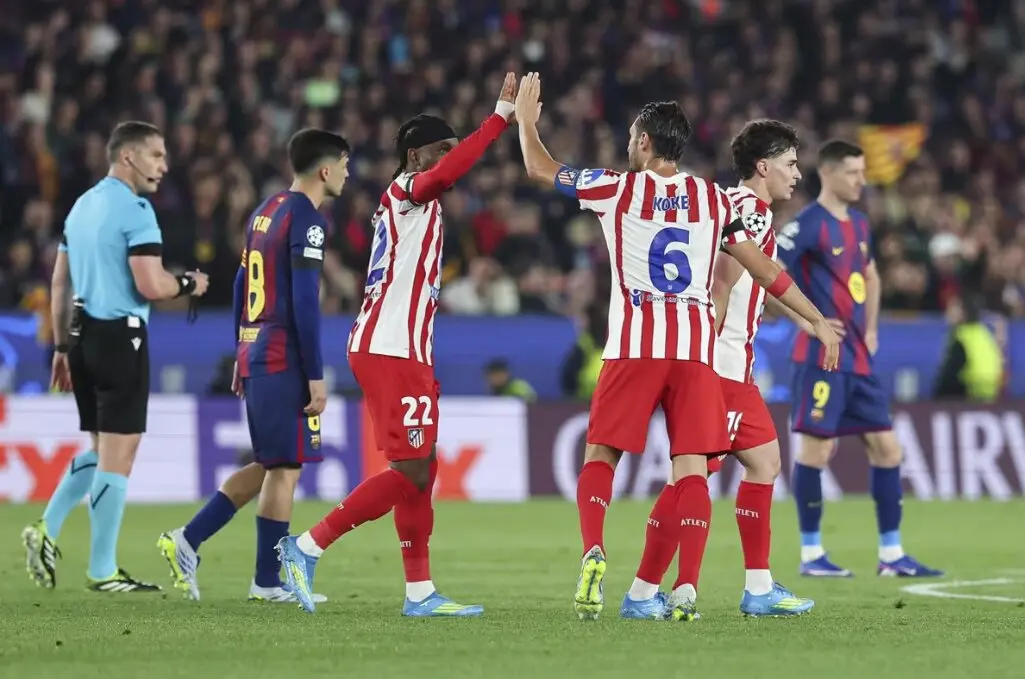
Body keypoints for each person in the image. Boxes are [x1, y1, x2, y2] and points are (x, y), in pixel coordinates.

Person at [513, 73, 840, 621]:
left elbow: (539, 168)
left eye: (631, 135)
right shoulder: (713, 199)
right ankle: (685, 585)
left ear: (643, 142)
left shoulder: (617, 186)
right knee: (692, 470)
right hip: (694, 351)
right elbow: (763, 269)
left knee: (602, 455)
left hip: (636, 344)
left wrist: (525, 122)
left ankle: (595, 548)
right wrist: (815, 319)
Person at [277, 72, 521, 617]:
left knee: (423, 467)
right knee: (411, 468)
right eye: (441, 151)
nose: (452, 161)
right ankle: (306, 546)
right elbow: (446, 174)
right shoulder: (407, 192)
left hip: (402, 347)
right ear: (415, 157)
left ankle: (419, 594)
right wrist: (498, 119)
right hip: (390, 346)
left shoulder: (417, 204)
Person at [640, 120, 832, 618]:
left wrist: (810, 323)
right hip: (718, 367)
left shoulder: (741, 208)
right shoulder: (747, 213)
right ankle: (643, 591)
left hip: (728, 367)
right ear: (763, 166)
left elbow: (765, 283)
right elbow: (723, 286)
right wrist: (700, 366)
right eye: (790, 165)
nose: (797, 175)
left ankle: (757, 587)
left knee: (761, 462)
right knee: (695, 474)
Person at [156, 128, 349, 602]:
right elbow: (305, 302)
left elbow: (244, 284)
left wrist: (242, 352)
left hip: (258, 350)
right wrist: (316, 374)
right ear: (325, 170)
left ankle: (219, 555)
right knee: (285, 467)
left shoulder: (265, 211)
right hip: (284, 356)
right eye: (344, 164)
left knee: (273, 464)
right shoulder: (307, 221)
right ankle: (250, 571)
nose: (348, 173)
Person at [22, 121, 209, 592]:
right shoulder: (137, 211)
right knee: (118, 458)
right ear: (128, 157)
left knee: (100, 450)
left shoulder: (82, 206)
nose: (164, 166)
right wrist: (188, 284)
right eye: (156, 155)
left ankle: (46, 529)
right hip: (120, 336)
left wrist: (63, 346)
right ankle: (102, 569)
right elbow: (150, 284)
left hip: (82, 336)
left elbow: (60, 283)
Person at [777, 139, 943, 578]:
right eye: (853, 172)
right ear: (828, 174)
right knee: (817, 450)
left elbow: (869, 275)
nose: (861, 180)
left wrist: (870, 329)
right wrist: (806, 322)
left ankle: (891, 555)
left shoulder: (860, 225)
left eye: (862, 171)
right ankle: (812, 556)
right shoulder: (807, 225)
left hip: (857, 358)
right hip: (820, 358)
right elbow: (768, 274)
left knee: (887, 448)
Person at [934, 293, 1003, 401]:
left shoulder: (962, 337)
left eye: (953, 308)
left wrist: (936, 398)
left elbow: (949, 376)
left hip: (969, 395)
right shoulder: (984, 332)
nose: (948, 312)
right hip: (991, 395)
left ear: (964, 313)